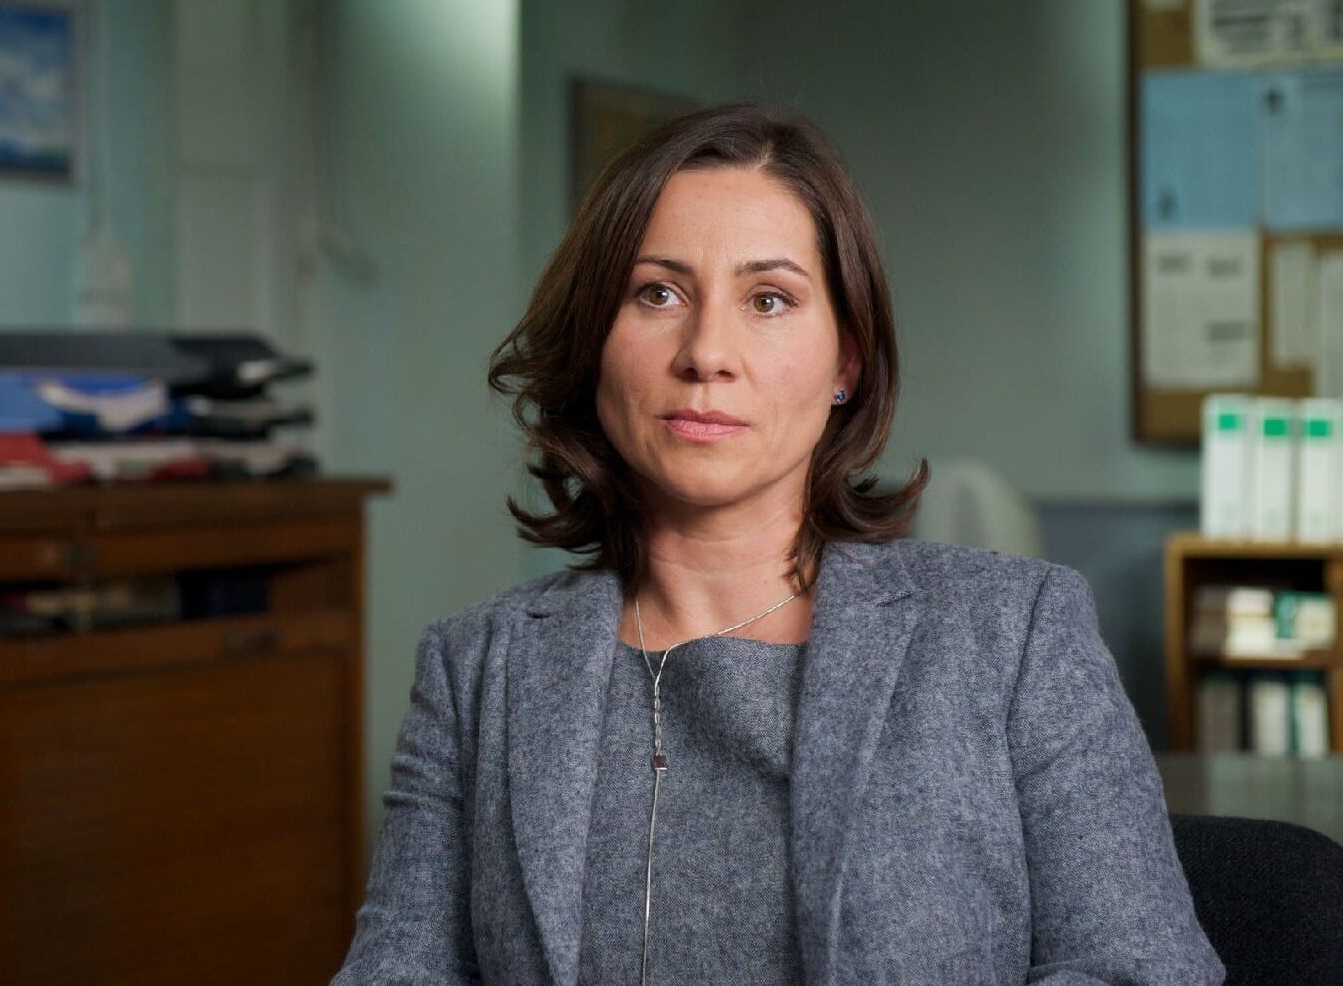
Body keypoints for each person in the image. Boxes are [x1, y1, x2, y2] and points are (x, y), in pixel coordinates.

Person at [332, 104, 1224, 986]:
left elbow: (1141, 971)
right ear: (593, 342)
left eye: (769, 300)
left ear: (846, 362)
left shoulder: (1014, 635)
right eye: (657, 293)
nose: (706, 353)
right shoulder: (475, 670)